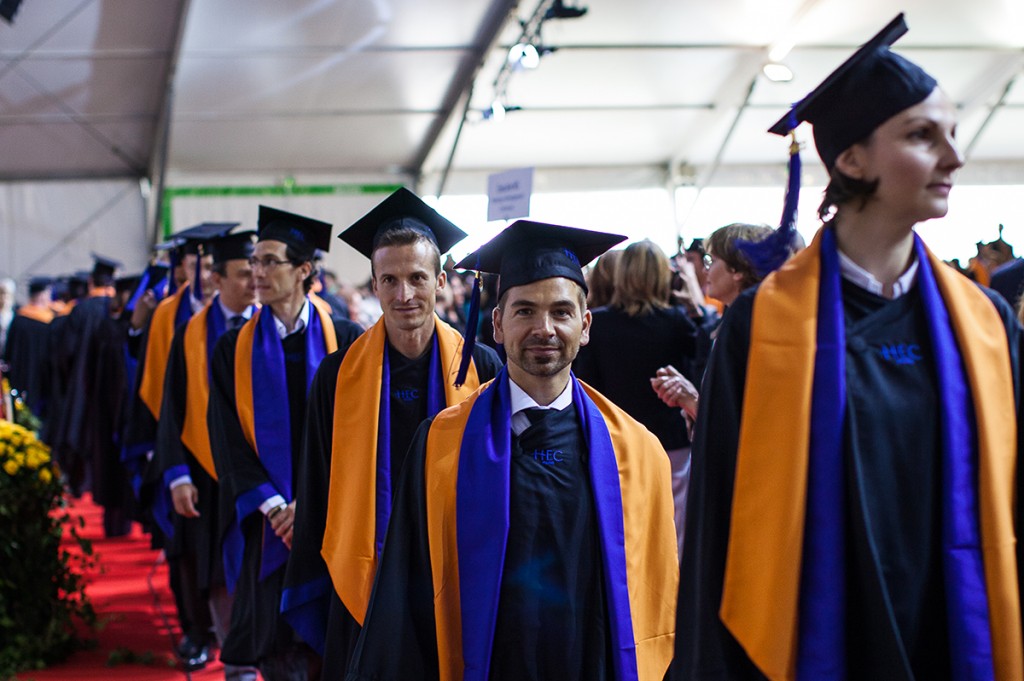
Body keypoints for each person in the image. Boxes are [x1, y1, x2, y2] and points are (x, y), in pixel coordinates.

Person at [670, 14, 1023, 679]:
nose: (954, 157)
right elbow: (721, 528)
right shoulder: (763, 328)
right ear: (851, 158)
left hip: (954, 629)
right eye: (923, 135)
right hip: (823, 635)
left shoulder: (984, 322)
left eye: (952, 133)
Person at [346, 220, 679, 681]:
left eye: (561, 312)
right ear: (498, 325)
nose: (544, 328)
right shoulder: (441, 446)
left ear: (585, 326)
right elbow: (408, 601)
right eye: (524, 311)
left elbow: (657, 598)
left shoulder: (638, 454)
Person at [282, 187, 502, 679]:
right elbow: (317, 479)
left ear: (441, 280)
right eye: (391, 280)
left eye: (417, 278)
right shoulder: (338, 375)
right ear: (375, 285)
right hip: (366, 564)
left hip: (453, 564)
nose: (405, 294)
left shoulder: (480, 365)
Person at [208, 206, 362, 681]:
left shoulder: (348, 338)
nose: (257, 273)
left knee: (329, 639)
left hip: (332, 512)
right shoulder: (233, 348)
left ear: (303, 271)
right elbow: (227, 437)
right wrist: (277, 507)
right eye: (254, 262)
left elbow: (358, 435)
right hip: (270, 522)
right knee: (277, 646)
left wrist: (312, 502)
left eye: (270, 261)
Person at [147, 230, 260, 679]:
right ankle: (224, 648)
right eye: (242, 273)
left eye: (257, 271)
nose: (254, 280)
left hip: (258, 470)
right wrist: (176, 474)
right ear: (216, 278)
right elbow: (171, 407)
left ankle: (257, 650)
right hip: (204, 468)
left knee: (259, 565)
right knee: (211, 565)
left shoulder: (269, 328)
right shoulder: (190, 333)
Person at [573, 239, 697, 556]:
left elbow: (586, 386)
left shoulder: (598, 324)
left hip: (617, 440)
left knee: (622, 527)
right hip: (670, 442)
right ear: (662, 276)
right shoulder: (679, 323)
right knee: (674, 528)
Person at [2, 277, 54, 417]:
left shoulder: (18, 320)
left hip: (19, 375)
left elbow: (8, 352)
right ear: (43, 296)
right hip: (41, 379)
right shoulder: (49, 322)